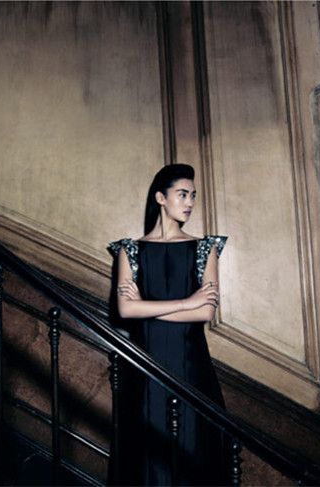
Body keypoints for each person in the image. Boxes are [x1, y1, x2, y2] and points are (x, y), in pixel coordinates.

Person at [108, 163, 228, 486]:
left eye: (193, 196)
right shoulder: (129, 250)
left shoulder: (205, 248)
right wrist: (187, 302)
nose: (190, 203)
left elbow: (206, 313)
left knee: (193, 455)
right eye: (182, 194)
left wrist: (145, 307)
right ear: (161, 198)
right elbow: (125, 309)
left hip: (191, 371)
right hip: (145, 371)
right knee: (147, 462)